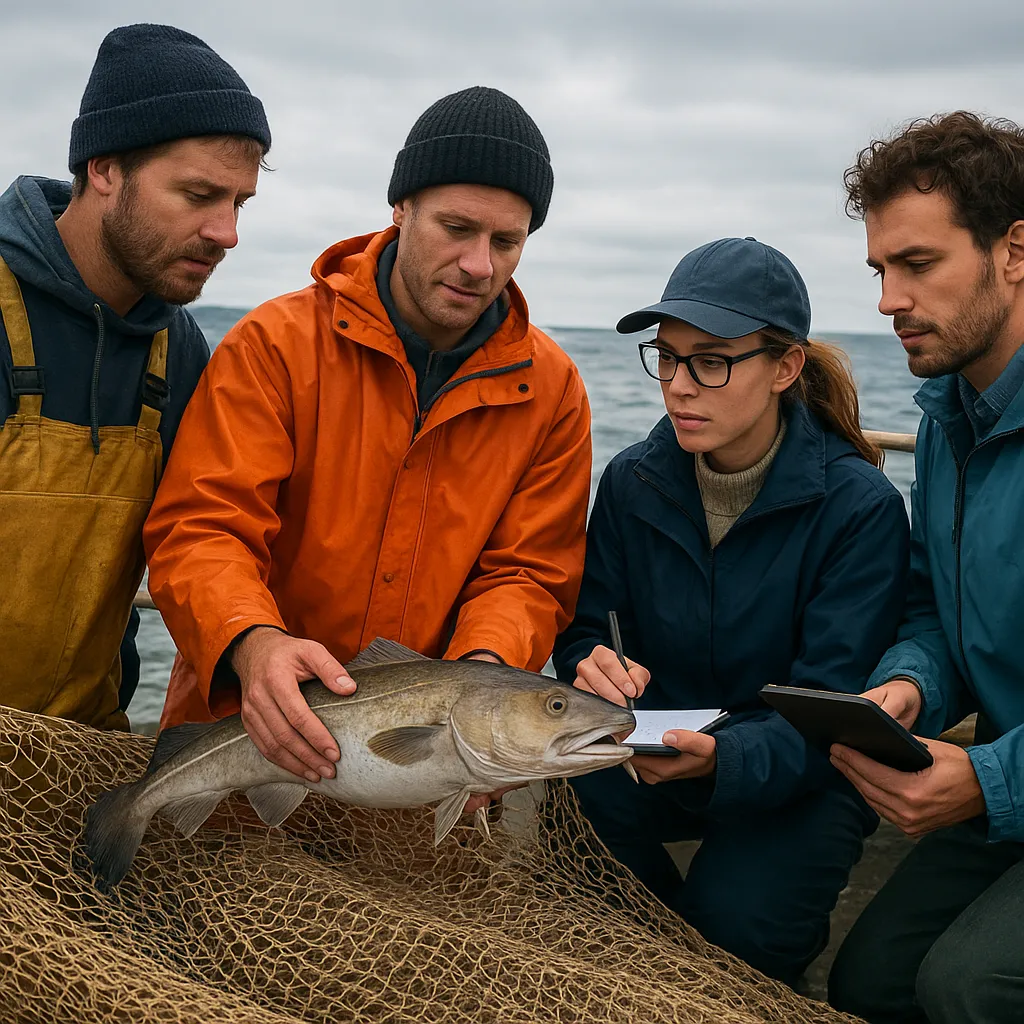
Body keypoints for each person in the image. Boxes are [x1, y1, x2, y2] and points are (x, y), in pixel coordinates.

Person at [144, 87, 591, 816]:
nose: (479, 264)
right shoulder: (275, 344)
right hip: (238, 741)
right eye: (456, 228)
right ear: (401, 209)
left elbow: (529, 572)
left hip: (421, 790)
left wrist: (487, 690)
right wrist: (252, 646)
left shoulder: (555, 389)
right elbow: (202, 526)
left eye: (506, 242)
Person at [552, 237, 910, 985]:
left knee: (729, 952)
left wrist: (729, 759)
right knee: (578, 871)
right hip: (657, 752)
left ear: (785, 368)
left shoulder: (861, 509)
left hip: (804, 774)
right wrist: (592, 658)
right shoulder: (630, 482)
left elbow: (832, 707)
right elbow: (589, 625)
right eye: (668, 357)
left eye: (711, 361)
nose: (680, 386)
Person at [0, 23, 270, 731]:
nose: (227, 233)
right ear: (105, 169)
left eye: (238, 203)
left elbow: (201, 537)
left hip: (75, 754)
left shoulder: (177, 350)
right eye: (198, 194)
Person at [827, 112, 1024, 1024]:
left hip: (1007, 783)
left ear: (1013, 251)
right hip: (1011, 790)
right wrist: (908, 687)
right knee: (871, 981)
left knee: (967, 988)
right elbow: (937, 613)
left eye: (917, 265)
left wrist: (987, 783)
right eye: (880, 269)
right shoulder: (951, 422)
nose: (886, 300)